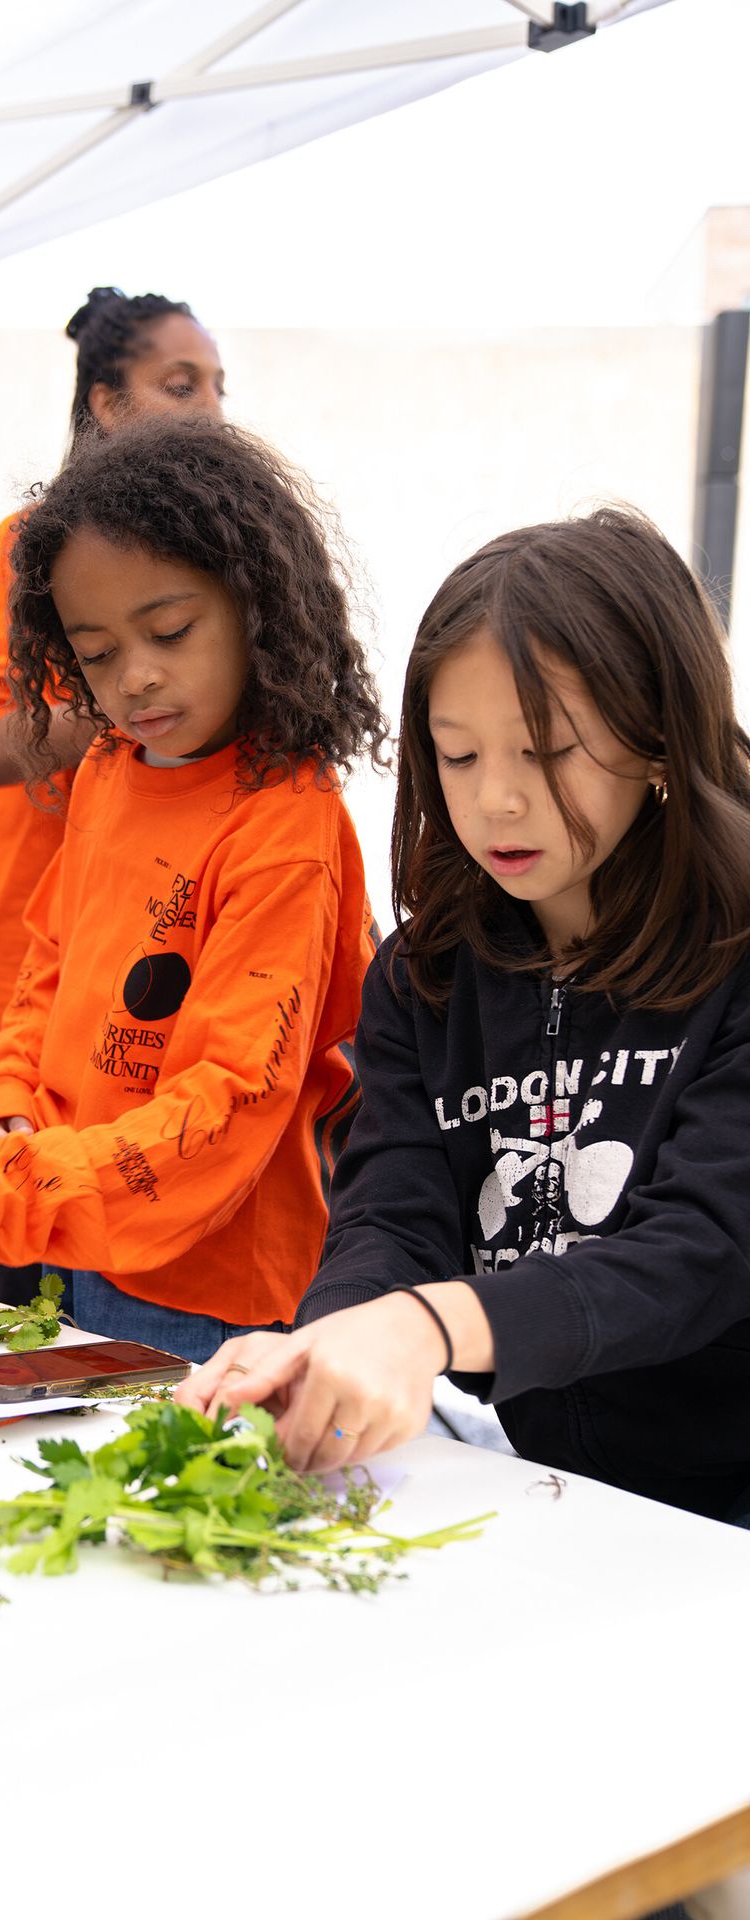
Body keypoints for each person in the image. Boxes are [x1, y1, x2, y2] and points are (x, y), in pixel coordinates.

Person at [181, 506, 750, 1528]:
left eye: (548, 751)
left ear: (660, 736)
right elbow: (391, 1217)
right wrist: (323, 1347)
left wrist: (424, 1327)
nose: (496, 802)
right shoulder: (426, 975)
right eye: (458, 756)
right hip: (561, 1493)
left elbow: (699, 1255)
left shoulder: (736, 952)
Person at [0, 416, 384, 1363]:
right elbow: (50, 965)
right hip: (91, 1245)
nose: (137, 678)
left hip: (215, 1293)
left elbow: (230, 1103)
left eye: (169, 632)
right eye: (95, 653)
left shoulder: (286, 822)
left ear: (257, 609)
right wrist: (8, 1090)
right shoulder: (109, 768)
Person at [0, 286, 225, 1304]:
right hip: (24, 999)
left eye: (217, 386)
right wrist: (142, 688)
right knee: (36, 1335)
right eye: (179, 384)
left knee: (142, 1327)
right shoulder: (23, 552)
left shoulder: (225, 560)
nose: (209, 409)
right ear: (105, 400)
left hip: (167, 1014)